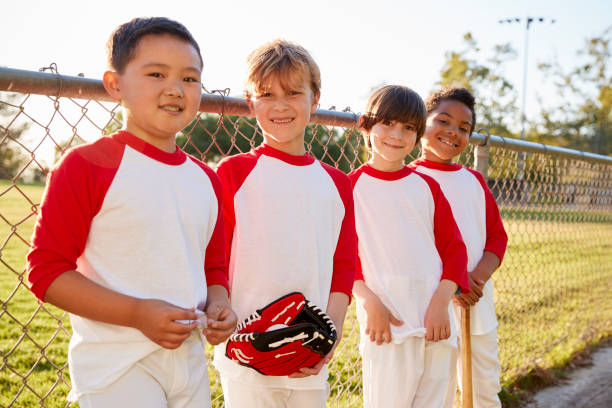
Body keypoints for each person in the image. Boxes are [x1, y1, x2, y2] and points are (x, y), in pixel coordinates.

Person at [26, 17, 237, 408]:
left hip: (188, 364)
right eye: (156, 73)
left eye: (190, 79)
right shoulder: (87, 165)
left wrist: (220, 303)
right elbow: (47, 273)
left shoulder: (207, 178)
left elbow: (214, 268)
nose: (175, 89)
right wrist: (138, 312)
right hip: (116, 367)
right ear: (114, 84)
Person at [212, 39, 357, 408]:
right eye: (266, 94)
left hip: (308, 353)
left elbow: (343, 266)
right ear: (250, 102)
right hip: (246, 350)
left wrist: (331, 335)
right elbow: (215, 259)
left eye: (294, 92)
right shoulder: (233, 173)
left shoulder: (338, 184)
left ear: (315, 98)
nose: (280, 105)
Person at [350, 85, 470, 408]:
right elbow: (342, 256)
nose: (396, 134)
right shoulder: (350, 187)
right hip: (387, 324)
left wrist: (441, 302)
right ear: (366, 124)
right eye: (387, 123)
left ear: (418, 135)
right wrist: (368, 300)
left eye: (408, 127)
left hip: (436, 322)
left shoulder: (426, 186)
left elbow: (455, 249)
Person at [409, 86, 508, 408]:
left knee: (484, 389)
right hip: (432, 309)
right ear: (422, 122)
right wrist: (455, 283)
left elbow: (496, 237)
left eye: (464, 129)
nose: (453, 133)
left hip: (476, 301)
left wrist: (475, 278)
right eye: (443, 121)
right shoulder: (408, 180)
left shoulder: (474, 181)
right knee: (437, 391)